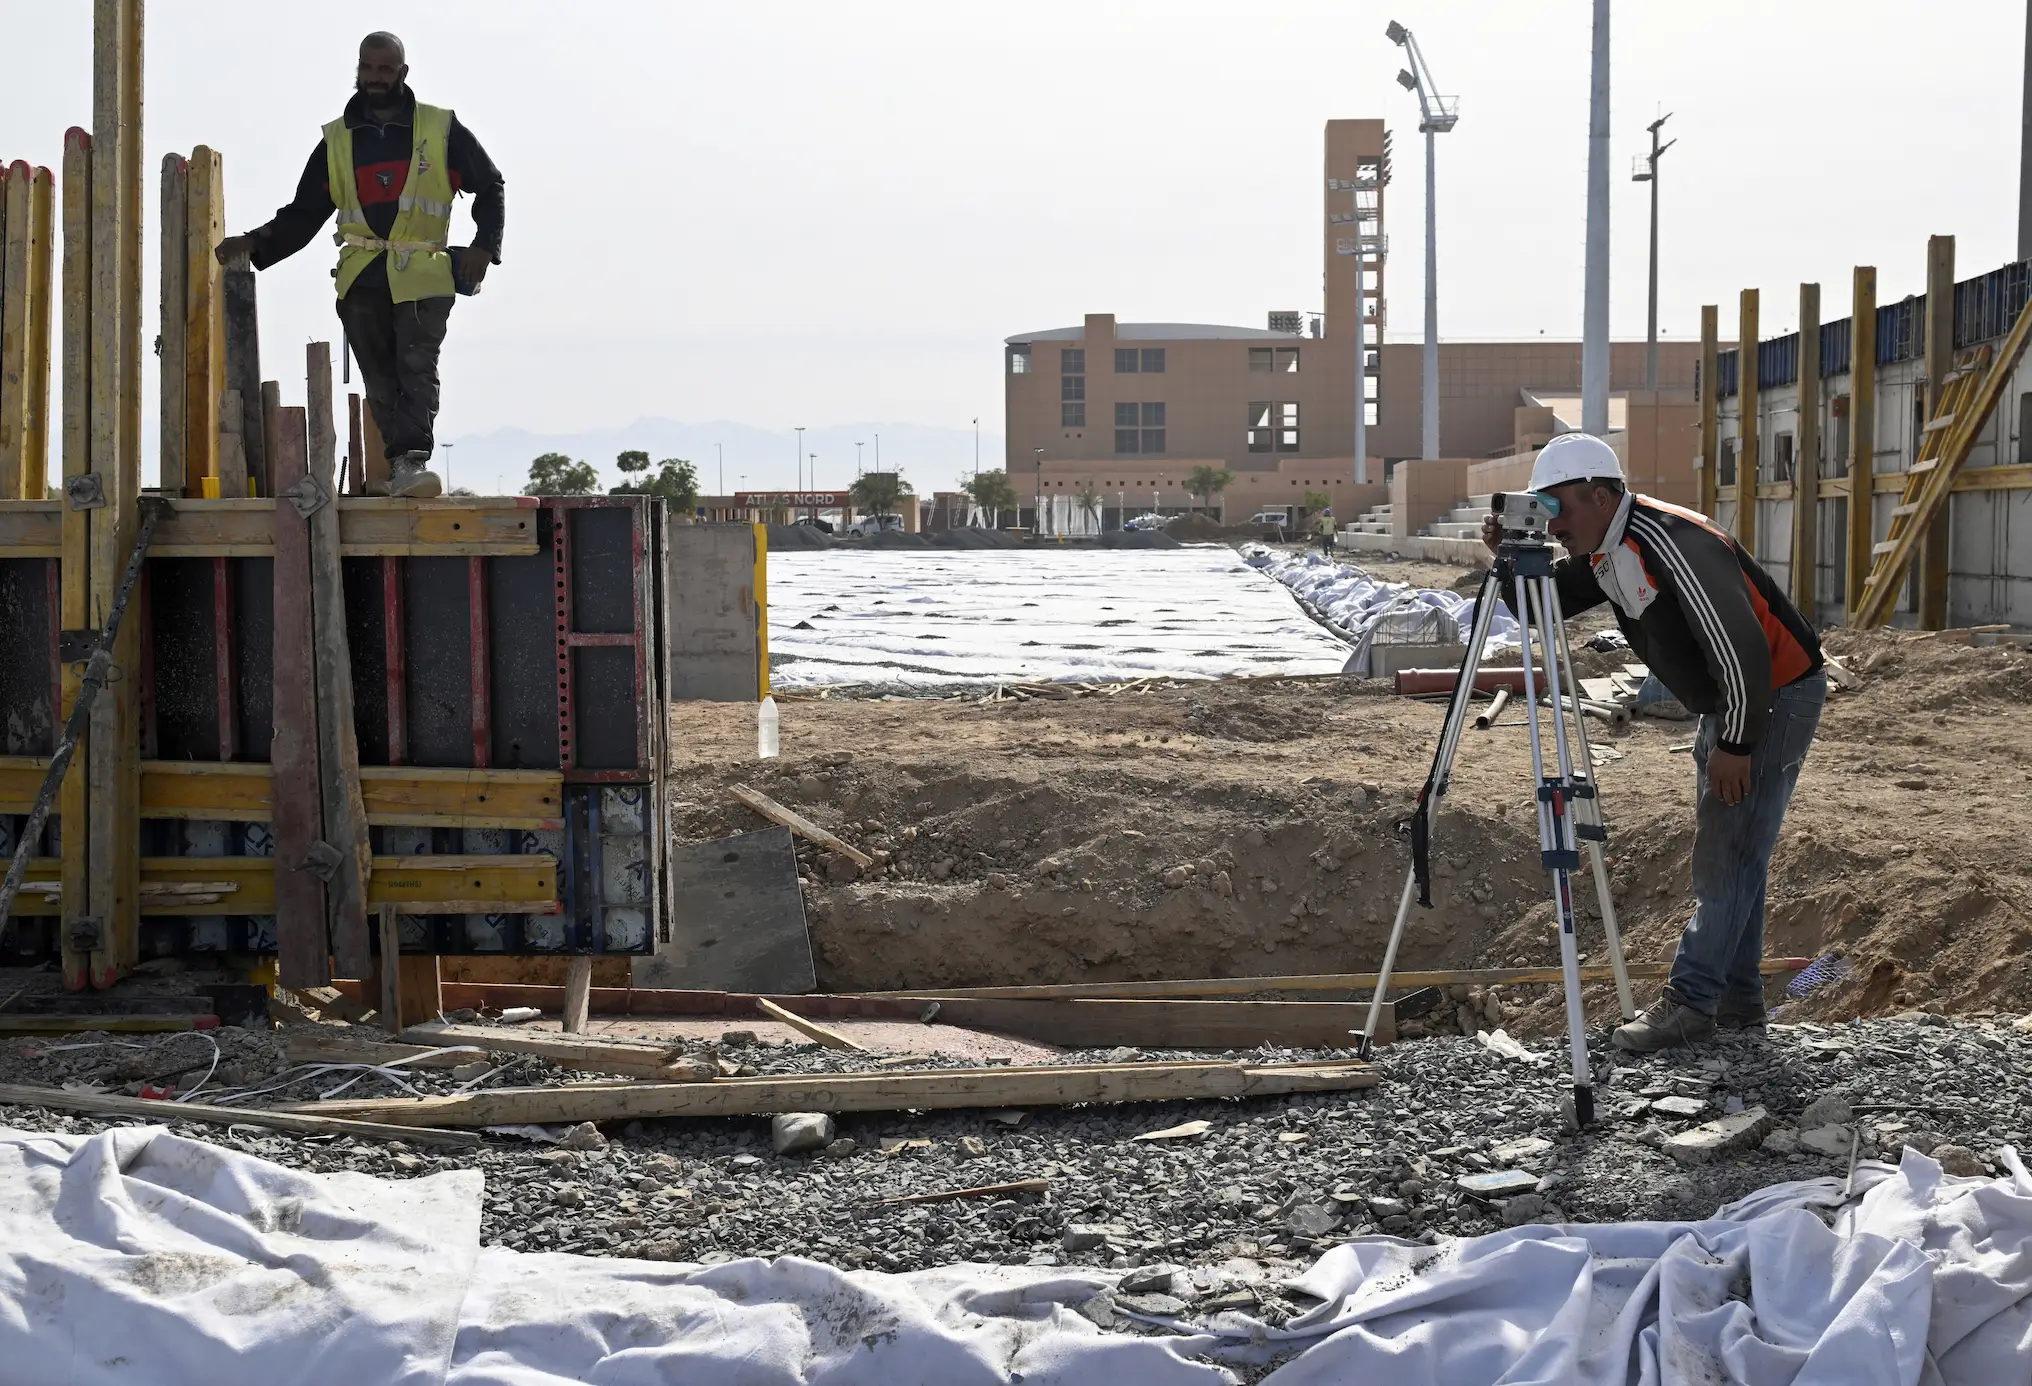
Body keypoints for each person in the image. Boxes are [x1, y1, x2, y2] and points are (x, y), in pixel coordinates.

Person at [1480, 433, 1824, 1052]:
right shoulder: (1610, 548)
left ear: (1599, 494)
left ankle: (1692, 1003)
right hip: (1731, 701)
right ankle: (1737, 1002)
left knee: (1728, 854)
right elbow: (1546, 606)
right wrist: (1509, 561)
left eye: (1557, 509)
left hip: (1771, 694)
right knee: (1735, 848)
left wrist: (1738, 742)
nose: (1553, 527)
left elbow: (1741, 648)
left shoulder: (1672, 543)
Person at [217, 31, 504, 499]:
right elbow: (303, 214)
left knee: (416, 366)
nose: (374, 78)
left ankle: (412, 461)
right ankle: (400, 469)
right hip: (361, 276)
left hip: (424, 275)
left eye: (385, 69)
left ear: (403, 73)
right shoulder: (337, 140)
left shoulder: (440, 129)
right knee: (378, 375)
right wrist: (253, 243)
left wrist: (484, 247)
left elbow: (491, 185)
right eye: (367, 68)